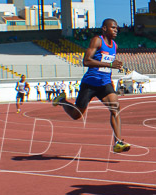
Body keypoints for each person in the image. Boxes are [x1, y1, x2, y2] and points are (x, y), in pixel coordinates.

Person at [53, 18, 130, 153]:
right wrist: (110, 65)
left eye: (117, 28)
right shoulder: (97, 40)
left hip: (104, 83)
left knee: (115, 108)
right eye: (113, 27)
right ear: (104, 28)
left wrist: (110, 75)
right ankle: (62, 101)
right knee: (76, 115)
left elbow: (107, 67)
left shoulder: (115, 46)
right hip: (90, 83)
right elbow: (86, 61)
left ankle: (118, 142)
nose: (116, 30)